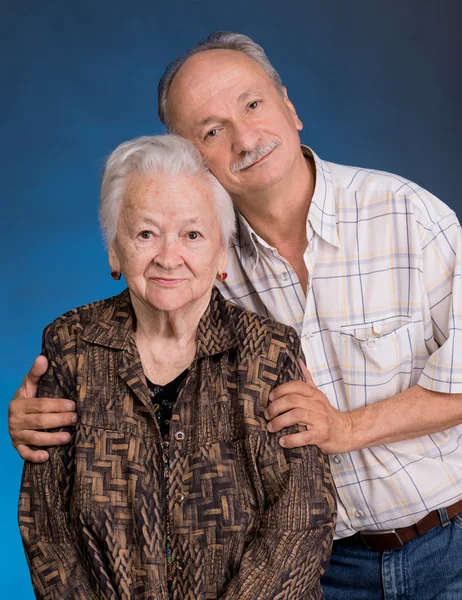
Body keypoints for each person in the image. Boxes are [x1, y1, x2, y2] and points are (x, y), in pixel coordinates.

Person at [11, 31, 462, 599]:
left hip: (447, 541)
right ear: (191, 158)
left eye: (252, 105)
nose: (245, 138)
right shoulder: (189, 274)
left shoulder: (406, 215)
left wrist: (346, 428)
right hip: (326, 573)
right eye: (211, 131)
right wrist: (37, 420)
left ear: (289, 105)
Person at [18, 134, 336, 600]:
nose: (169, 256)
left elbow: (301, 520)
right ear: (114, 249)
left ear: (221, 253)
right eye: (146, 233)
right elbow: (47, 527)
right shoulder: (71, 348)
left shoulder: (267, 352)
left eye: (192, 234)